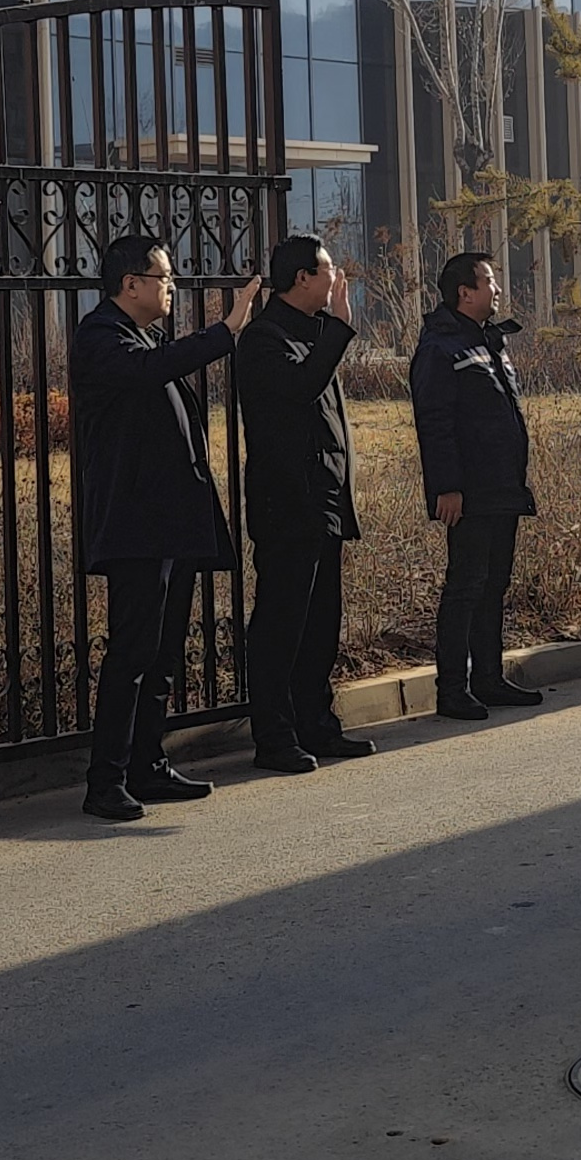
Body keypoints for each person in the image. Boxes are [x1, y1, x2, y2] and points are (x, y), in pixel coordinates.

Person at [69, 232, 238, 822]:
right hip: (135, 526)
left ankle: (148, 764)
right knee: (132, 652)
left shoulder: (144, 337)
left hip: (168, 523)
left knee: (162, 652)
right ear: (130, 283)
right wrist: (224, 332)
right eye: (164, 277)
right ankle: (106, 780)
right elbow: (148, 372)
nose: (172, 287)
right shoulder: (100, 336)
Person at [234, 233, 374, 772]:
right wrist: (339, 327)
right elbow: (299, 389)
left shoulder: (313, 334)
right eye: (328, 269)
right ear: (302, 278)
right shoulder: (264, 339)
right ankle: (275, 735)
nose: (337, 278)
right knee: (282, 623)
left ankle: (318, 723)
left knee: (321, 623)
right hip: (286, 505)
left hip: (325, 502)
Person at [411, 251, 537, 718]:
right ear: (464, 292)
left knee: (494, 584)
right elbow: (434, 421)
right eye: (488, 281)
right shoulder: (440, 347)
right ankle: (452, 689)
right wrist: (447, 487)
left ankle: (488, 677)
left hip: (502, 486)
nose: (497, 288)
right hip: (469, 491)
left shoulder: (489, 342)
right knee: (465, 586)